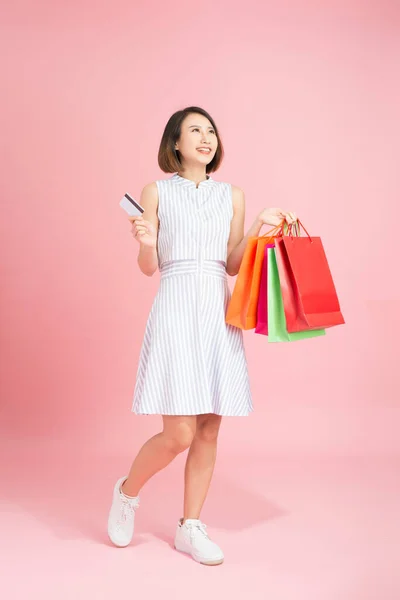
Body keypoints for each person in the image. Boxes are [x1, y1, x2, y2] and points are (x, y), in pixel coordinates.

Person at [107, 106, 296, 565]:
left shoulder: (232, 195)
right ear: (175, 142)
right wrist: (147, 243)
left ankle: (190, 526)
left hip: (217, 306)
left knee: (209, 427)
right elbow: (149, 268)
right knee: (178, 433)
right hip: (175, 305)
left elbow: (232, 264)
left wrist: (257, 228)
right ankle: (127, 493)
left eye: (210, 130)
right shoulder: (156, 192)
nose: (205, 137)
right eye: (195, 130)